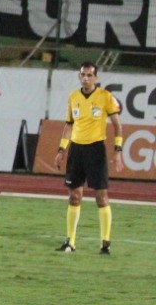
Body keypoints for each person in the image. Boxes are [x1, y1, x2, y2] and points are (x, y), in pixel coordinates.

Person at [53, 62, 124, 255]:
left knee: (101, 197)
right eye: (83, 75)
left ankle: (105, 243)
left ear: (96, 78)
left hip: (95, 150)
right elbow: (69, 124)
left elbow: (117, 125)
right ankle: (70, 242)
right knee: (74, 196)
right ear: (79, 76)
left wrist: (118, 150)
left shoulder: (105, 97)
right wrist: (61, 149)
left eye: (89, 75)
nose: (85, 78)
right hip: (76, 150)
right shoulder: (73, 97)